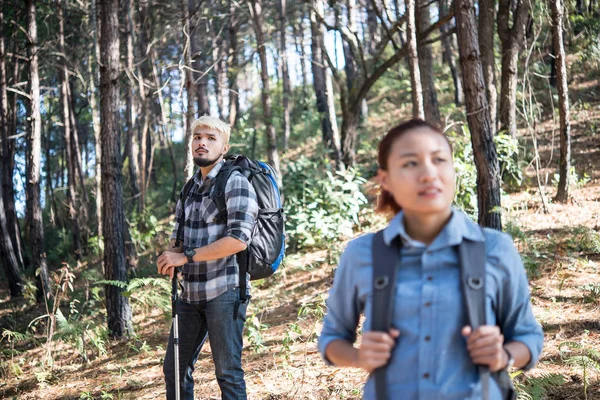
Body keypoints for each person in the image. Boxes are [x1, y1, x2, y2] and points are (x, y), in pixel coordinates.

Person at [318, 119, 544, 399]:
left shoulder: (496, 248)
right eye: (410, 163)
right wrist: (359, 357)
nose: (428, 174)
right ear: (385, 180)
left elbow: (528, 338)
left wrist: (503, 356)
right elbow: (331, 340)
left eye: (439, 160)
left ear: (453, 170)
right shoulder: (362, 254)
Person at [157, 115, 258, 400]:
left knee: (227, 373)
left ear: (224, 147)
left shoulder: (234, 182)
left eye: (211, 138)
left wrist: (185, 257)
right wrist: (170, 255)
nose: (202, 142)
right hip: (190, 294)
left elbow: (238, 240)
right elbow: (179, 241)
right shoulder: (190, 187)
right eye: (198, 137)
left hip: (224, 290)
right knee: (175, 371)